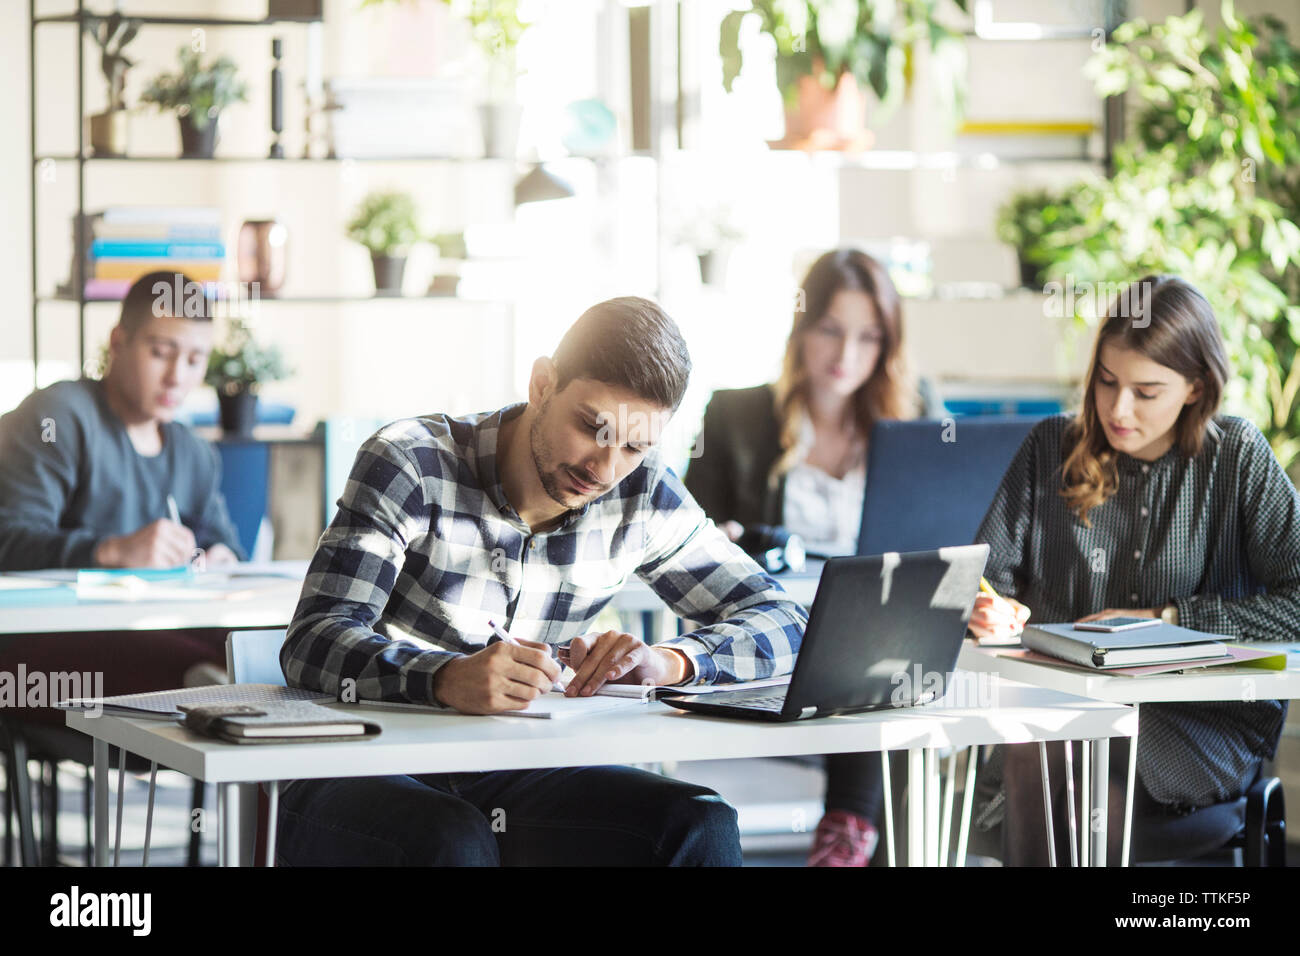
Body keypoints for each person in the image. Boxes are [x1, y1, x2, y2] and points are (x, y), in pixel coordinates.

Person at [277, 296, 808, 866]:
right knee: (452, 838)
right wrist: (443, 678)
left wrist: (672, 663)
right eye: (592, 428)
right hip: (367, 766)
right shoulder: (411, 462)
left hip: (515, 773)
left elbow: (785, 621)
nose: (604, 469)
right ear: (541, 384)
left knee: (698, 823)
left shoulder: (643, 495)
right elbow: (314, 638)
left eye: (633, 446)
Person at [968, 274, 1300, 865]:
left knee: (1059, 757)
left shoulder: (1238, 457)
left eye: (1146, 392)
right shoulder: (1050, 448)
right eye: (1106, 382)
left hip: (1198, 724)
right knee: (1054, 750)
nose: (1118, 409)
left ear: (1196, 387)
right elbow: (982, 581)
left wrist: (1170, 618)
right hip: (1062, 714)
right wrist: (986, 610)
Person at [684, 249, 918, 866]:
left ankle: (850, 832)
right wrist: (725, 535)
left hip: (881, 631)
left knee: (879, 647)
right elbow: (683, 534)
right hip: (774, 629)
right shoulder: (739, 415)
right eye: (830, 331)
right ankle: (851, 834)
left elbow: (946, 526)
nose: (847, 356)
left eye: (869, 337)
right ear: (801, 330)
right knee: (877, 660)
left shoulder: (914, 420)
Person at [0, 270, 245, 757]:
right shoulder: (57, 416)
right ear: (119, 341)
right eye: (161, 351)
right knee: (198, 667)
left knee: (256, 655)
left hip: (152, 634)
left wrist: (218, 556)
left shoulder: (193, 453)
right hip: (40, 653)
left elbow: (227, 546)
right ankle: (205, 695)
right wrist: (112, 550)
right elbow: (8, 541)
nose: (178, 376)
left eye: (195, 359)